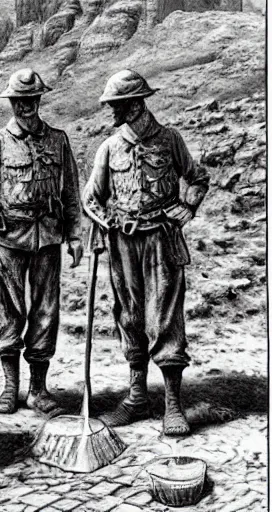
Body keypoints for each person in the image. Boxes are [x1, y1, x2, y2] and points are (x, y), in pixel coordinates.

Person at [83, 70, 209, 436]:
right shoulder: (109, 147)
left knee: (166, 317)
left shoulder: (170, 140)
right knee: (129, 315)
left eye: (116, 106)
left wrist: (187, 209)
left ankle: (172, 405)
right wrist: (105, 220)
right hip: (123, 243)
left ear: (135, 105)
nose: (110, 112)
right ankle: (137, 397)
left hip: (161, 241)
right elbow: (91, 197)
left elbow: (197, 178)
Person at [0, 68, 83, 415]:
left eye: (31, 100)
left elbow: (70, 192)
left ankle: (38, 389)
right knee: (5, 312)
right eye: (19, 101)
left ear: (39, 100)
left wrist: (75, 234)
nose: (25, 107)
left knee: (46, 313)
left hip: (48, 238)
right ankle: (9, 386)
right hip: (8, 241)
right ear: (12, 103)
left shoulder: (58, 140)